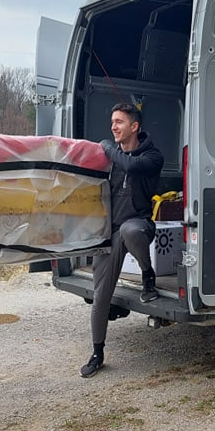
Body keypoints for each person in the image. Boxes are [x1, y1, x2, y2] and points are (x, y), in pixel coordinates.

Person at [81, 102, 164, 378]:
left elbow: (130, 164)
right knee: (100, 296)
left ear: (134, 126)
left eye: (119, 122)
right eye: (112, 122)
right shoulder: (110, 157)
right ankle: (97, 353)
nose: (113, 127)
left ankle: (147, 272)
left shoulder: (152, 156)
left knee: (131, 231)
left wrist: (106, 147)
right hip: (111, 232)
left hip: (139, 224)